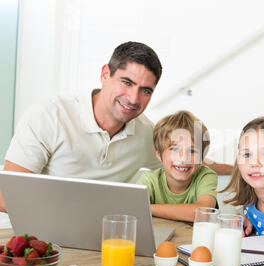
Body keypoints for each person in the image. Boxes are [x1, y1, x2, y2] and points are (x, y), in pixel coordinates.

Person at [0, 41, 231, 213]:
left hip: (107, 235)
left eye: (145, 90)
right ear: (105, 74)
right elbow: (6, 195)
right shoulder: (50, 115)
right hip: (40, 232)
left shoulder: (145, 134)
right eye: (127, 82)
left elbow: (185, 157)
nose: (133, 98)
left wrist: (238, 168)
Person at [136, 110, 218, 222]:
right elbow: (133, 211)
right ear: (159, 155)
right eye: (174, 149)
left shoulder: (206, 177)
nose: (184, 158)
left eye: (192, 151)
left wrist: (147, 208)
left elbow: (203, 213)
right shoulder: (150, 180)